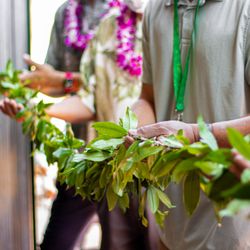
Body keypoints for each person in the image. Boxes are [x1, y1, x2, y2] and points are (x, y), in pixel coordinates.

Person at [0, 0, 157, 249]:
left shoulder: (170, 23)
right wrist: (38, 113)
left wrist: (62, 81)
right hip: (103, 165)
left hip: (158, 171)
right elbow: (88, 101)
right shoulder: (104, 27)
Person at [125, 0, 250, 249]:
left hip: (232, 225)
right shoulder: (155, 9)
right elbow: (147, 97)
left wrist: (197, 134)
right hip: (169, 221)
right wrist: (135, 131)